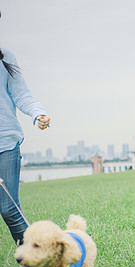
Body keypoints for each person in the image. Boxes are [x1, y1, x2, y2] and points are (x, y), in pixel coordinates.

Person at [0, 11, 51, 245]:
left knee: (10, 209)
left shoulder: (5, 57)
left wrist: (38, 113)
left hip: (6, 143)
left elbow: (21, 95)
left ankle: (38, 258)